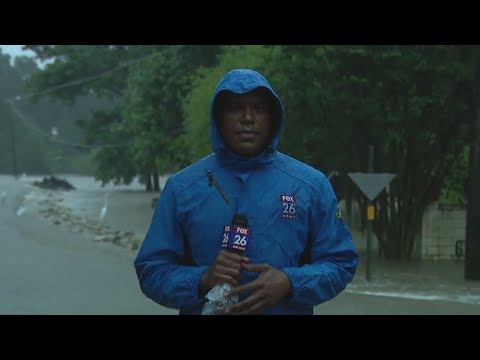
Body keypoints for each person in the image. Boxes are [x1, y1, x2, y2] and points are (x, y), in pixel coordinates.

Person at [134, 68, 359, 315]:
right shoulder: (182, 188)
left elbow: (341, 263)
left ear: (274, 117)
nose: (248, 118)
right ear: (218, 118)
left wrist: (289, 282)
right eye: (234, 108)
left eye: (259, 108)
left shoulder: (311, 186)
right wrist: (202, 278)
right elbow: (151, 271)